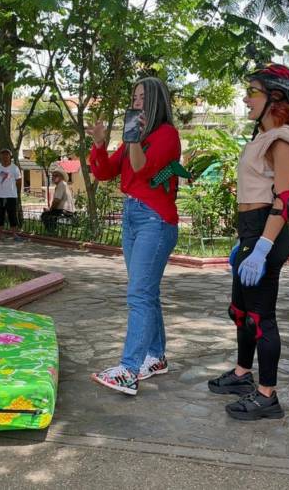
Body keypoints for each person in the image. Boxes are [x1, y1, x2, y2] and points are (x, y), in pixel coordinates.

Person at [206, 63, 289, 421]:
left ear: (274, 97)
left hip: (267, 231)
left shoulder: (283, 139)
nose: (246, 98)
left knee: (262, 319)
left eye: (253, 92)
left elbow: (285, 199)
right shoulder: (262, 137)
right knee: (241, 313)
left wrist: (262, 247)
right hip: (251, 232)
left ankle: (267, 396)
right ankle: (241, 374)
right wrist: (246, 242)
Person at [87, 77, 182, 396]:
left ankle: (128, 370)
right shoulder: (134, 136)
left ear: (155, 101)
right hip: (133, 217)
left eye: (143, 96)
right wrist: (100, 144)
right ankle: (155, 358)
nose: (137, 100)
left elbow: (142, 169)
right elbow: (104, 172)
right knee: (146, 293)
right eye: (134, 95)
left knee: (139, 295)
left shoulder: (167, 135)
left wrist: (132, 137)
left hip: (155, 220)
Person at [0, 149, 23, 242]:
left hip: (11, 195)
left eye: (7, 154)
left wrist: (17, 192)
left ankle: (14, 234)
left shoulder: (14, 168)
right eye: (3, 154)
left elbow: (19, 181)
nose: (5, 156)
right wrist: (1, 188)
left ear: (10, 156)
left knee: (12, 215)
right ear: (0, 156)